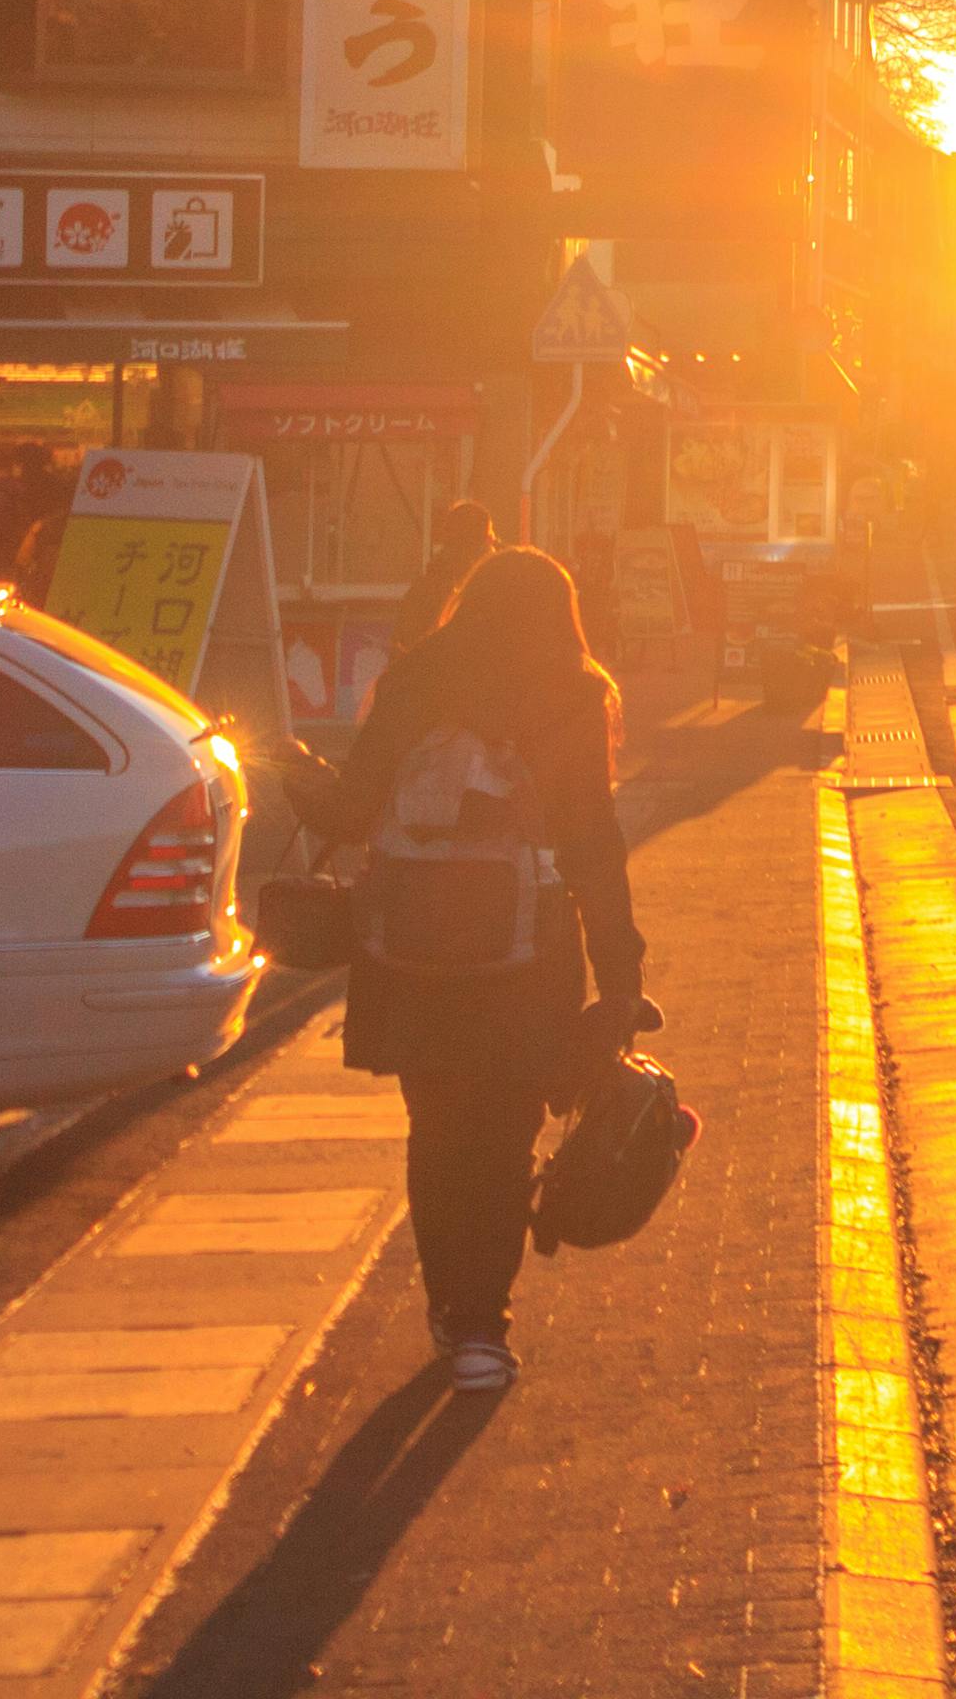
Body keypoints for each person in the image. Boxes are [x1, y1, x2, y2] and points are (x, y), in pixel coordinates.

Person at [290, 546, 646, 1395]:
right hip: (527, 960)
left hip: (410, 952)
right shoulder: (574, 692)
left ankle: (449, 1307)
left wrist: (297, 776)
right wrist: (620, 972)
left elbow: (353, 805)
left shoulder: (415, 681)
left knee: (437, 1132)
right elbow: (594, 847)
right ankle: (486, 1321)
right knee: (504, 1135)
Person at [391, 498, 502, 649]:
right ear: (486, 541)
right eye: (491, 538)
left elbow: (402, 645)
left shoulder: (421, 591)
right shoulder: (490, 594)